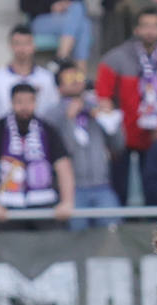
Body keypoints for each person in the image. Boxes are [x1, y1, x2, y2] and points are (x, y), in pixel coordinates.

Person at [94, 4, 157, 205]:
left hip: (154, 138)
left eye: (155, 26)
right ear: (136, 29)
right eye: (145, 26)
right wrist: (113, 133)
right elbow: (102, 97)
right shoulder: (115, 58)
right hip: (122, 140)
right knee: (120, 191)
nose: (150, 31)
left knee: (153, 192)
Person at [0, 82, 75, 231]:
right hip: (8, 205)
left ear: (35, 103)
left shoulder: (47, 129)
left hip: (45, 203)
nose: (24, 107)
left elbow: (63, 165)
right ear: (11, 103)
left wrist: (67, 201)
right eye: (19, 102)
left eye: (29, 101)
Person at [42, 61, 125, 229]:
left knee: (113, 233)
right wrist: (69, 120)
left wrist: (111, 120)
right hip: (73, 190)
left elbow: (118, 145)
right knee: (77, 238)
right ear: (58, 86)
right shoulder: (50, 116)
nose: (75, 81)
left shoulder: (95, 108)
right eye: (69, 77)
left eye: (78, 76)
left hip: (102, 186)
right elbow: (63, 151)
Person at [0, 24, 62, 133]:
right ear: (10, 46)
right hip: (6, 139)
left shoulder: (46, 78)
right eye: (17, 43)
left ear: (34, 46)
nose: (22, 48)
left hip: (40, 140)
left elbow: (54, 112)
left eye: (26, 43)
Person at [20, 0, 95, 70]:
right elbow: (24, 5)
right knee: (83, 24)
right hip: (40, 20)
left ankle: (61, 58)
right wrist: (51, 6)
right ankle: (79, 73)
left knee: (78, 8)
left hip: (67, 20)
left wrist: (65, 4)